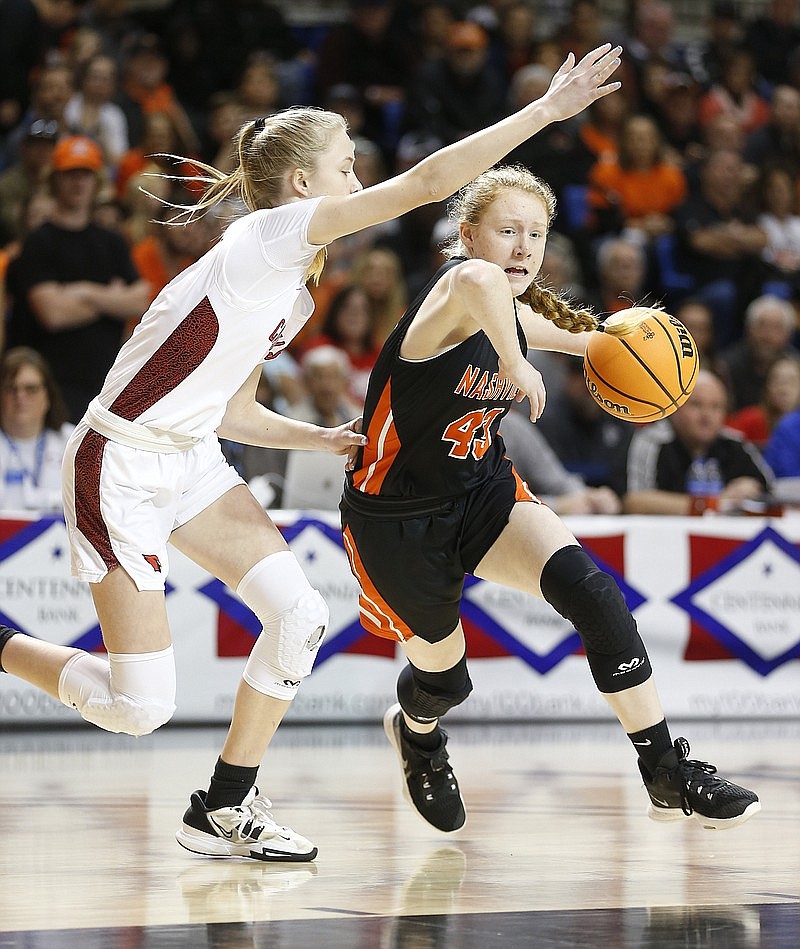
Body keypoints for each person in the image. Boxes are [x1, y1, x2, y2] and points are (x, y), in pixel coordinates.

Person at [0, 43, 627, 862]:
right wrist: (546, 111)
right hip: (116, 460)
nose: (359, 182)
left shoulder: (289, 286)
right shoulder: (271, 231)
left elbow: (228, 409)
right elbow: (430, 184)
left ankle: (223, 804)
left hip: (187, 454)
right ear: (303, 184)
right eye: (347, 166)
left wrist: (318, 436)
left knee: (301, 614)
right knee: (138, 707)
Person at [340, 165, 761, 839]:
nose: (524, 247)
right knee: (444, 684)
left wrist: (648, 356)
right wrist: (512, 360)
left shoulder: (518, 315)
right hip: (397, 518)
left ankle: (663, 770)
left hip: (482, 492)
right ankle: (417, 734)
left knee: (593, 591)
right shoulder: (453, 289)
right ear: (468, 235)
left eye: (536, 234)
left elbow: (595, 342)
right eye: (507, 231)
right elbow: (478, 285)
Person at [6, 134, 150, 422]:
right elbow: (53, 313)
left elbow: (142, 299)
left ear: (96, 181)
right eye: (70, 174)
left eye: (86, 174)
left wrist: (83, 292)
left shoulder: (111, 241)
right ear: (54, 179)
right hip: (51, 388)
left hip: (103, 383)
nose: (78, 182)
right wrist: (111, 298)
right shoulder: (38, 242)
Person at [623, 370, 772, 515]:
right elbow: (635, 502)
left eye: (715, 407)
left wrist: (752, 490)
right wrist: (714, 503)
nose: (706, 416)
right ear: (675, 407)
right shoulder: (653, 441)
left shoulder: (735, 443)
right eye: (696, 405)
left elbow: (770, 490)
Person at [0, 347, 74, 512]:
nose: (20, 397)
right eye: (11, 389)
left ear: (48, 396)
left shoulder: (72, 440)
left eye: (31, 389)